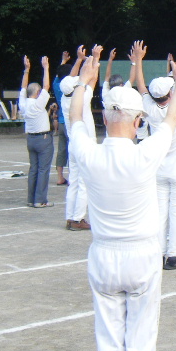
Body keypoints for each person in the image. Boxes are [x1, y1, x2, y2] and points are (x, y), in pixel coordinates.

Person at [69, 46, 176, 351]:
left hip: (103, 254)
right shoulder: (144, 154)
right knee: (140, 342)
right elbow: (172, 119)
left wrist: (84, 87)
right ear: (138, 120)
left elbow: (75, 121)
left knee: (108, 343)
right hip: (140, 255)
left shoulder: (87, 152)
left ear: (105, 116)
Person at [132, 39, 176, 269]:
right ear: (171, 93)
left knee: (160, 212)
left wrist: (138, 61)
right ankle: (173, 254)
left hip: (159, 166)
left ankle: (158, 253)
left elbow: (141, 86)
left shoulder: (150, 108)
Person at [60, 47, 100, 229]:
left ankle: (70, 217)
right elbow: (92, 79)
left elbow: (76, 81)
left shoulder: (64, 98)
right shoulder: (82, 97)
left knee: (74, 181)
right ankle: (78, 218)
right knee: (84, 182)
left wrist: (80, 61)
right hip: (85, 144)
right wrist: (95, 58)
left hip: (73, 144)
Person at [19, 55, 55, 209]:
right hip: (43, 138)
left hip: (31, 139)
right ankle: (40, 199)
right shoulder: (38, 104)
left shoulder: (23, 103)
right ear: (37, 92)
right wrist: (46, 68)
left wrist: (27, 71)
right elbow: (46, 86)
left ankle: (31, 198)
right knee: (43, 169)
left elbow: (22, 88)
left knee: (33, 169)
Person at [53, 51, 71, 186]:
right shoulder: (70, 88)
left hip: (60, 121)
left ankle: (60, 176)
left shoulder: (56, 84)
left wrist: (63, 61)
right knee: (73, 150)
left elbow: (58, 74)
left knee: (61, 149)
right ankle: (73, 175)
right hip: (71, 122)